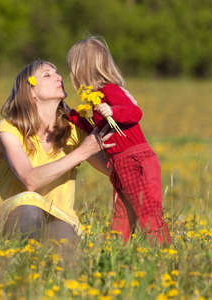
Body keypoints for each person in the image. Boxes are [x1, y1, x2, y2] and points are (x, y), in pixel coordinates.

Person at [0, 60, 114, 244]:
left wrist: (116, 114)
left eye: (57, 73)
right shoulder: (8, 128)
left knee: (65, 235)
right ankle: (19, 266)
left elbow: (113, 171)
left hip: (59, 218)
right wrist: (82, 152)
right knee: (29, 209)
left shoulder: (74, 130)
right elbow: (30, 180)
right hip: (12, 216)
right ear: (30, 92)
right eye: (47, 75)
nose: (59, 77)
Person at [66, 36, 171, 245]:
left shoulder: (110, 90)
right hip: (121, 165)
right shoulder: (93, 99)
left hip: (135, 160)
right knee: (121, 219)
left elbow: (135, 112)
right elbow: (95, 128)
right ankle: (115, 256)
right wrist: (69, 115)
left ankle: (164, 253)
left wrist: (113, 111)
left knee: (148, 213)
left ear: (82, 70)